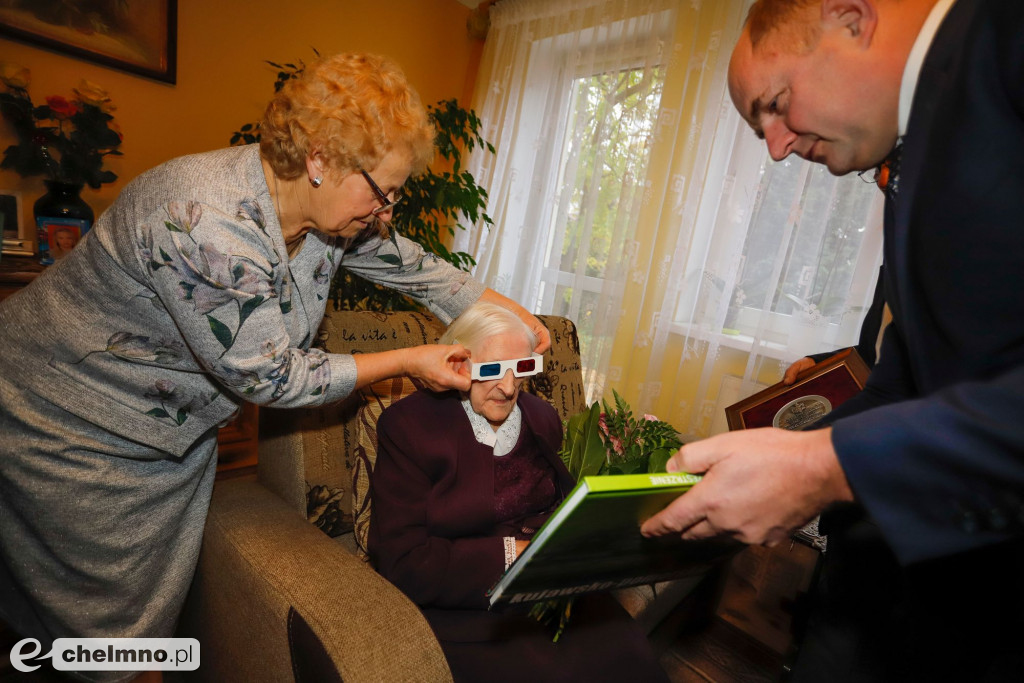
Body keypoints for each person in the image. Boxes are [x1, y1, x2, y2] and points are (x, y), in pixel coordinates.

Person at [0, 53, 549, 679]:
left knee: (126, 623)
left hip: (167, 434)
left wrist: (522, 322)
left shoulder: (330, 219)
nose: (388, 212)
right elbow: (272, 376)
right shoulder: (203, 220)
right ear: (319, 158)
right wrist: (406, 360)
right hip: (64, 419)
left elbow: (422, 272)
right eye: (382, 191)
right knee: (108, 641)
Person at [642, 0, 1024, 680]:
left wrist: (825, 466)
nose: (778, 147)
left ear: (851, 18)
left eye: (778, 103)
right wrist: (785, 459)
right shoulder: (913, 149)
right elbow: (906, 383)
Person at [369, 301, 668, 683]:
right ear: (458, 365)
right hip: (470, 602)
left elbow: (562, 503)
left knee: (633, 660)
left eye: (522, 368)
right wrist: (516, 553)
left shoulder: (542, 417)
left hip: (553, 587)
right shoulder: (410, 427)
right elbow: (403, 562)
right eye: (492, 370)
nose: (509, 387)